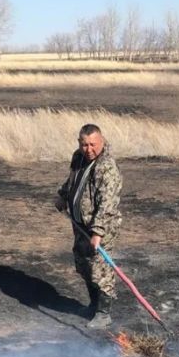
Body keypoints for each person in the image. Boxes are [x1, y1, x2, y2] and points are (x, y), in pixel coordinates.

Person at [55, 124, 122, 328]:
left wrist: (98, 232)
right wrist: (62, 195)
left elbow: (107, 203)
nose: (89, 149)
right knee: (84, 265)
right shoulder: (78, 157)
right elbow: (73, 181)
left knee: (100, 269)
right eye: (84, 144)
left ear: (101, 141)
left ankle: (104, 313)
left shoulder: (107, 167)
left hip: (101, 229)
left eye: (93, 144)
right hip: (80, 225)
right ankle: (93, 306)